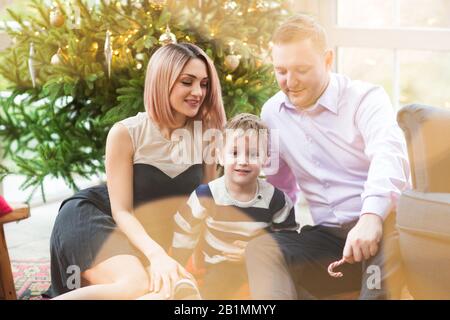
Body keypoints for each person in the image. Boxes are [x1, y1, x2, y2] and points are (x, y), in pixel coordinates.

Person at [245, 14, 411, 300]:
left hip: (381, 228)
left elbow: (389, 154)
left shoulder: (366, 99)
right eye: (281, 71)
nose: (290, 82)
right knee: (261, 248)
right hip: (328, 239)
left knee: (380, 269)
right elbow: (280, 186)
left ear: (327, 59)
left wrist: (370, 217)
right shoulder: (272, 113)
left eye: (301, 70)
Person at [46, 43, 226, 299]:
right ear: (163, 81)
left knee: (164, 288)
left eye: (204, 84)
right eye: (187, 81)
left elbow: (208, 204)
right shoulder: (125, 133)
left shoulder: (207, 136)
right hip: (101, 216)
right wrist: (157, 255)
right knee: (135, 285)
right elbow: (122, 211)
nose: (198, 92)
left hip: (152, 236)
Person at [171, 113, 298, 299]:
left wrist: (255, 254)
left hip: (260, 263)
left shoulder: (276, 200)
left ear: (266, 159)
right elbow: (185, 230)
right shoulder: (206, 196)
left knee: (280, 287)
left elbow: (287, 239)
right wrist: (177, 266)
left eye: (253, 154)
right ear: (221, 156)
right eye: (235, 153)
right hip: (220, 263)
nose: (243, 161)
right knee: (217, 287)